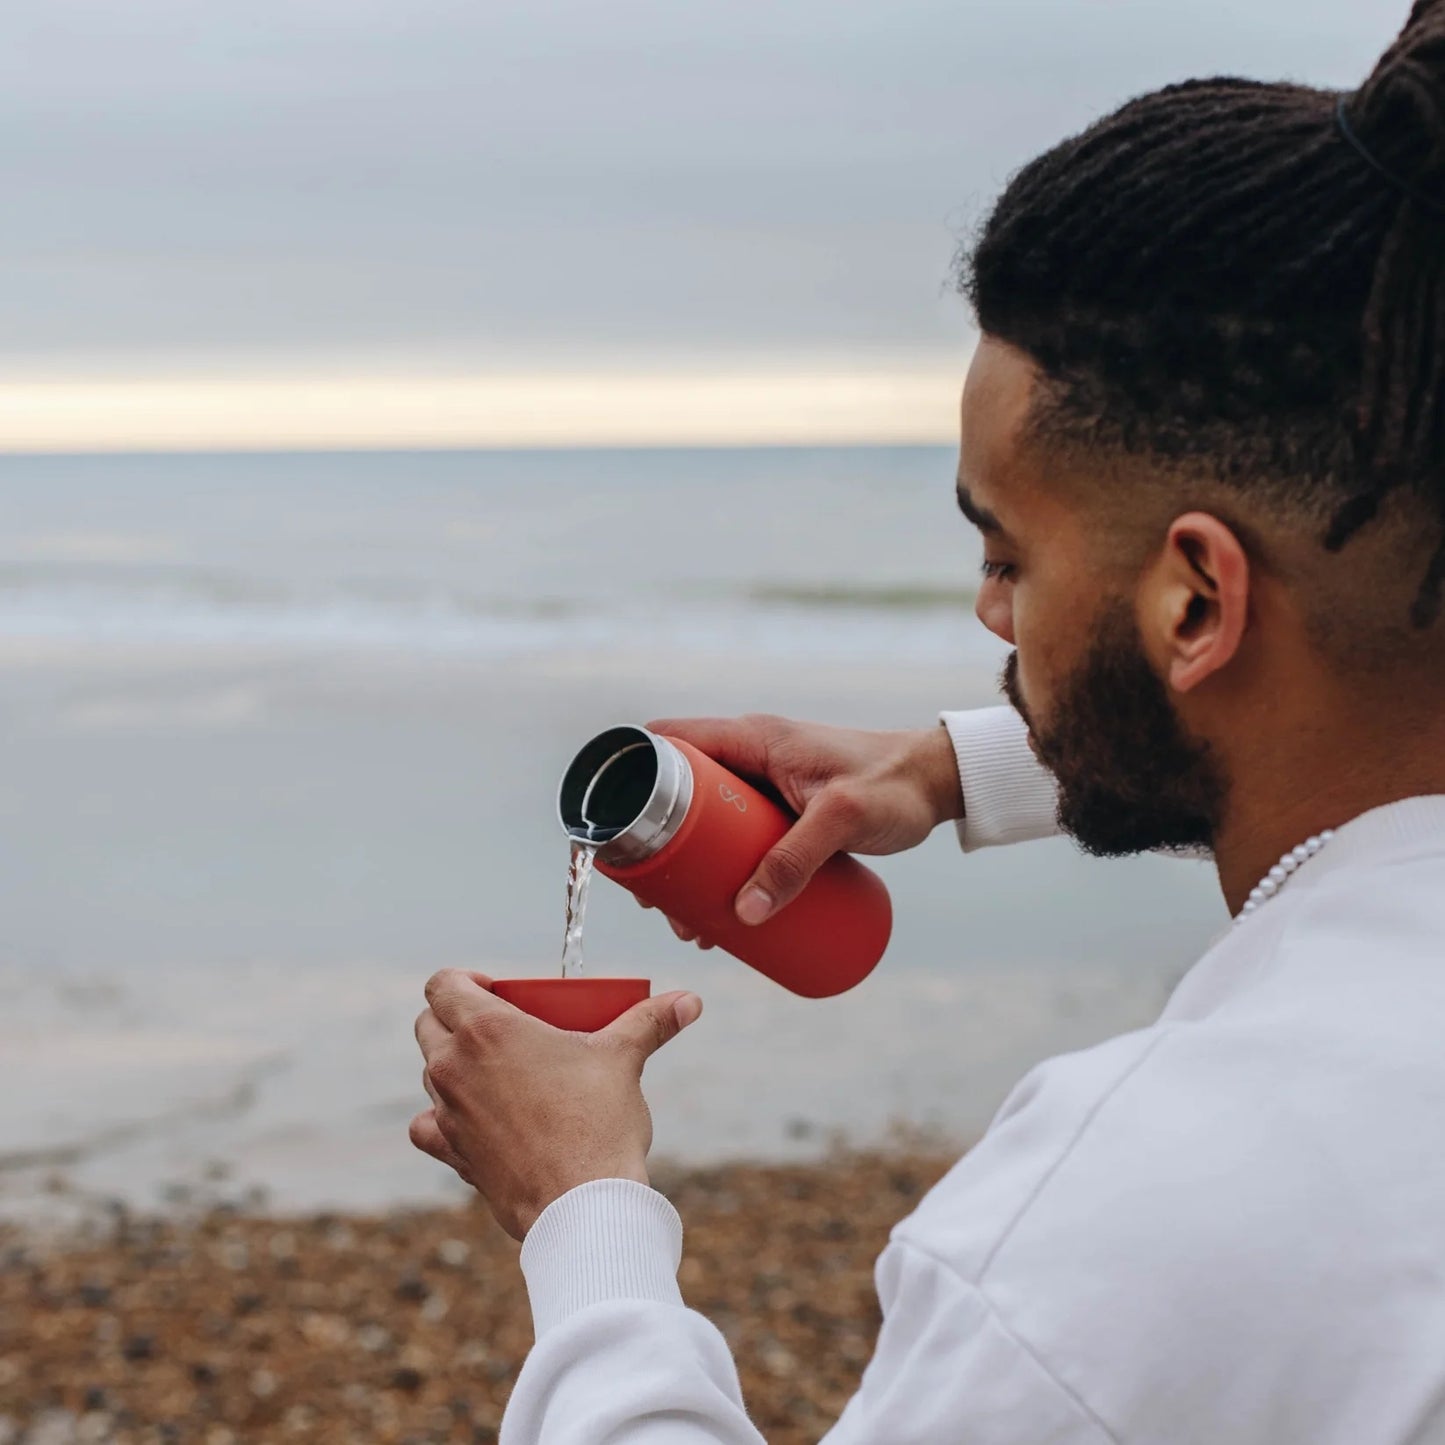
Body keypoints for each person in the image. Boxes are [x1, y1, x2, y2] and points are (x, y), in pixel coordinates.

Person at [410, 3, 1445, 1439]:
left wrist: (581, 1210)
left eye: (1009, 554)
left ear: (1196, 599)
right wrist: (974, 764)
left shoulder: (1136, 1218)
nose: (987, 612)